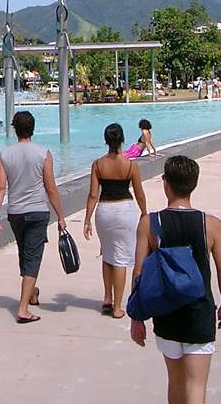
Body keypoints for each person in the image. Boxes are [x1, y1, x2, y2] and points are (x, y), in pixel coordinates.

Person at [130, 156, 221, 404]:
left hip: (166, 314)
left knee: (175, 383)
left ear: (166, 184)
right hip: (199, 313)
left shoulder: (149, 224)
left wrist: (137, 317)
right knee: (196, 385)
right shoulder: (212, 225)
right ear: (194, 184)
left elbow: (138, 274)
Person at [0, 111, 68, 324]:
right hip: (37, 212)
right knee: (32, 258)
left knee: (25, 254)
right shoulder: (43, 154)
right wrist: (61, 215)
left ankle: (31, 293)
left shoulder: (5, 155)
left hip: (15, 213)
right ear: (33, 128)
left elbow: (0, 187)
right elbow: (51, 188)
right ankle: (23, 309)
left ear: (15, 128)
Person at [84, 123, 148, 318]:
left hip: (104, 211)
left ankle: (107, 298)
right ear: (122, 140)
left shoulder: (97, 164)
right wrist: (145, 213)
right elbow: (139, 193)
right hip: (124, 211)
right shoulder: (131, 165)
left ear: (106, 141)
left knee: (107, 254)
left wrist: (87, 219)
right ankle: (118, 306)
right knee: (120, 258)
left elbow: (93, 195)